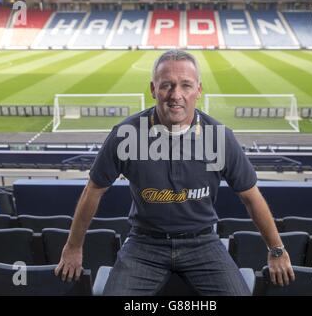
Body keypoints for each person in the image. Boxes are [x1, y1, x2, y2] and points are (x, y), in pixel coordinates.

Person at [54, 49, 294, 295]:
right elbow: (93, 191)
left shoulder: (219, 138)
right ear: (153, 89)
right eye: (166, 85)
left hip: (203, 242)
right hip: (144, 243)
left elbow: (251, 197)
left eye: (186, 85)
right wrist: (73, 247)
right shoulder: (127, 135)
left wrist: (276, 250)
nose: (176, 95)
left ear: (199, 90)